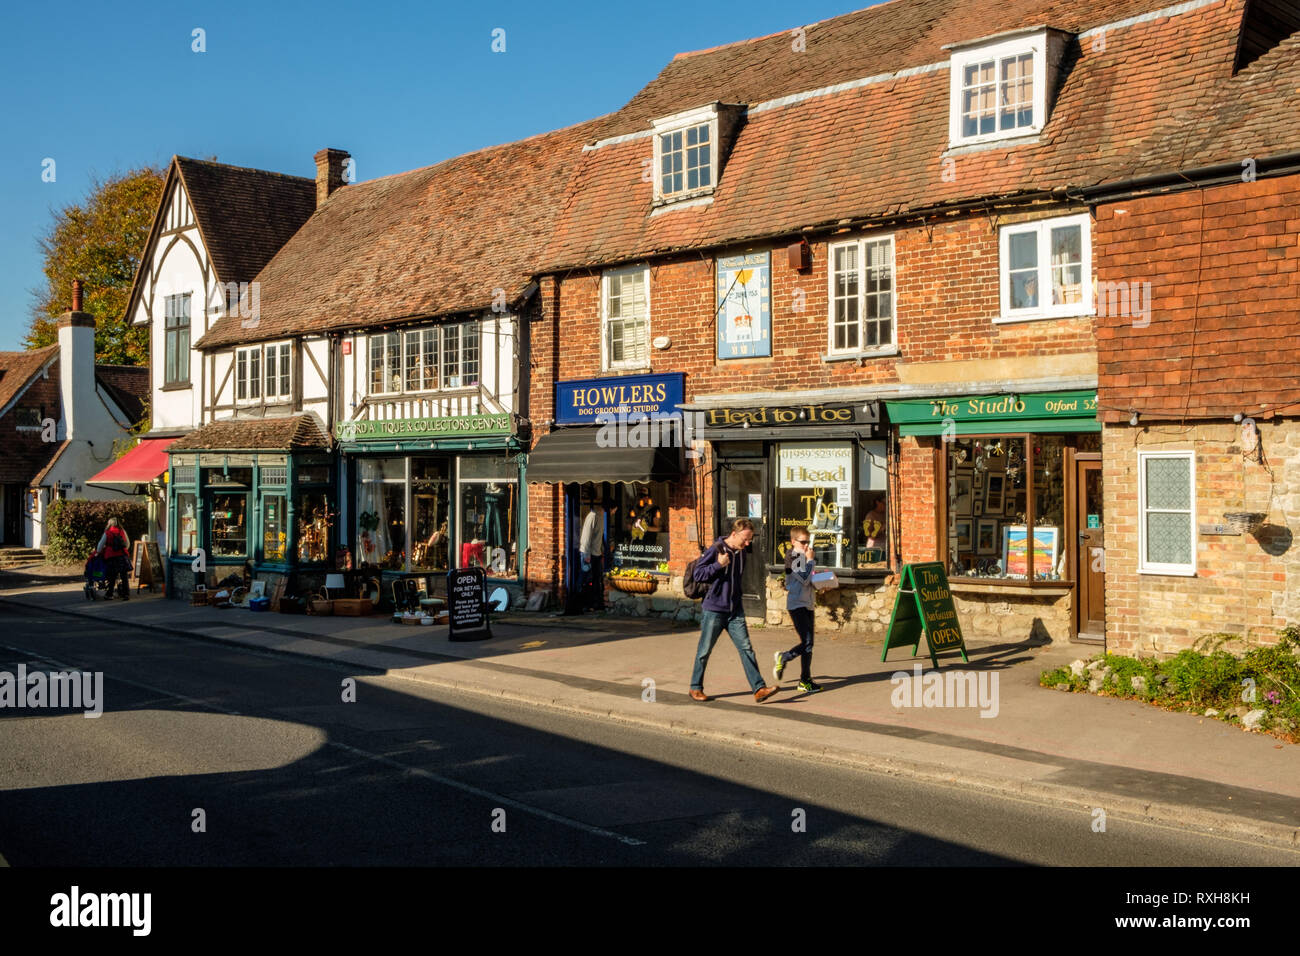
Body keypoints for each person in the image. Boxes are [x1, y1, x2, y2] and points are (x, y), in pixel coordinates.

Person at [689, 518, 779, 703]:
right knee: (704, 650)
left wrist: (736, 600)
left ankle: (759, 688)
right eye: (745, 539)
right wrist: (718, 565)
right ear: (734, 534)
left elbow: (736, 580)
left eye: (750, 540)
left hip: (734, 610)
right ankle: (695, 687)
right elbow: (698, 574)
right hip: (714, 609)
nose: (747, 544)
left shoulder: (741, 553)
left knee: (746, 648)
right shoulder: (716, 549)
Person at [773, 526, 821, 693]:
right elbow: (804, 579)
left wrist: (822, 583)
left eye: (808, 542)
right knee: (807, 642)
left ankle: (805, 680)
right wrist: (810, 560)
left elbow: (810, 579)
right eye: (803, 542)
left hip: (807, 603)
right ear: (793, 542)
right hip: (796, 604)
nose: (806, 545)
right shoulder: (793, 556)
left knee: (809, 644)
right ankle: (784, 657)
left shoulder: (803, 556)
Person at [575, 500, 605, 612]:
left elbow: (599, 537)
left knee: (595, 579)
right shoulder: (593, 516)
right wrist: (587, 554)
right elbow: (586, 537)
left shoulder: (601, 517)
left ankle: (593, 604)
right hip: (588, 553)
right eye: (613, 510)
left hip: (596, 553)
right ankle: (578, 603)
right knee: (584, 579)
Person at [96, 517, 132, 600]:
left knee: (112, 576)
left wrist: (98, 552)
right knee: (124, 576)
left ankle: (110, 594)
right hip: (122, 556)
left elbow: (100, 546)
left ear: (109, 524)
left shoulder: (107, 533)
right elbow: (127, 544)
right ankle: (126, 594)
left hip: (111, 557)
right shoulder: (122, 531)